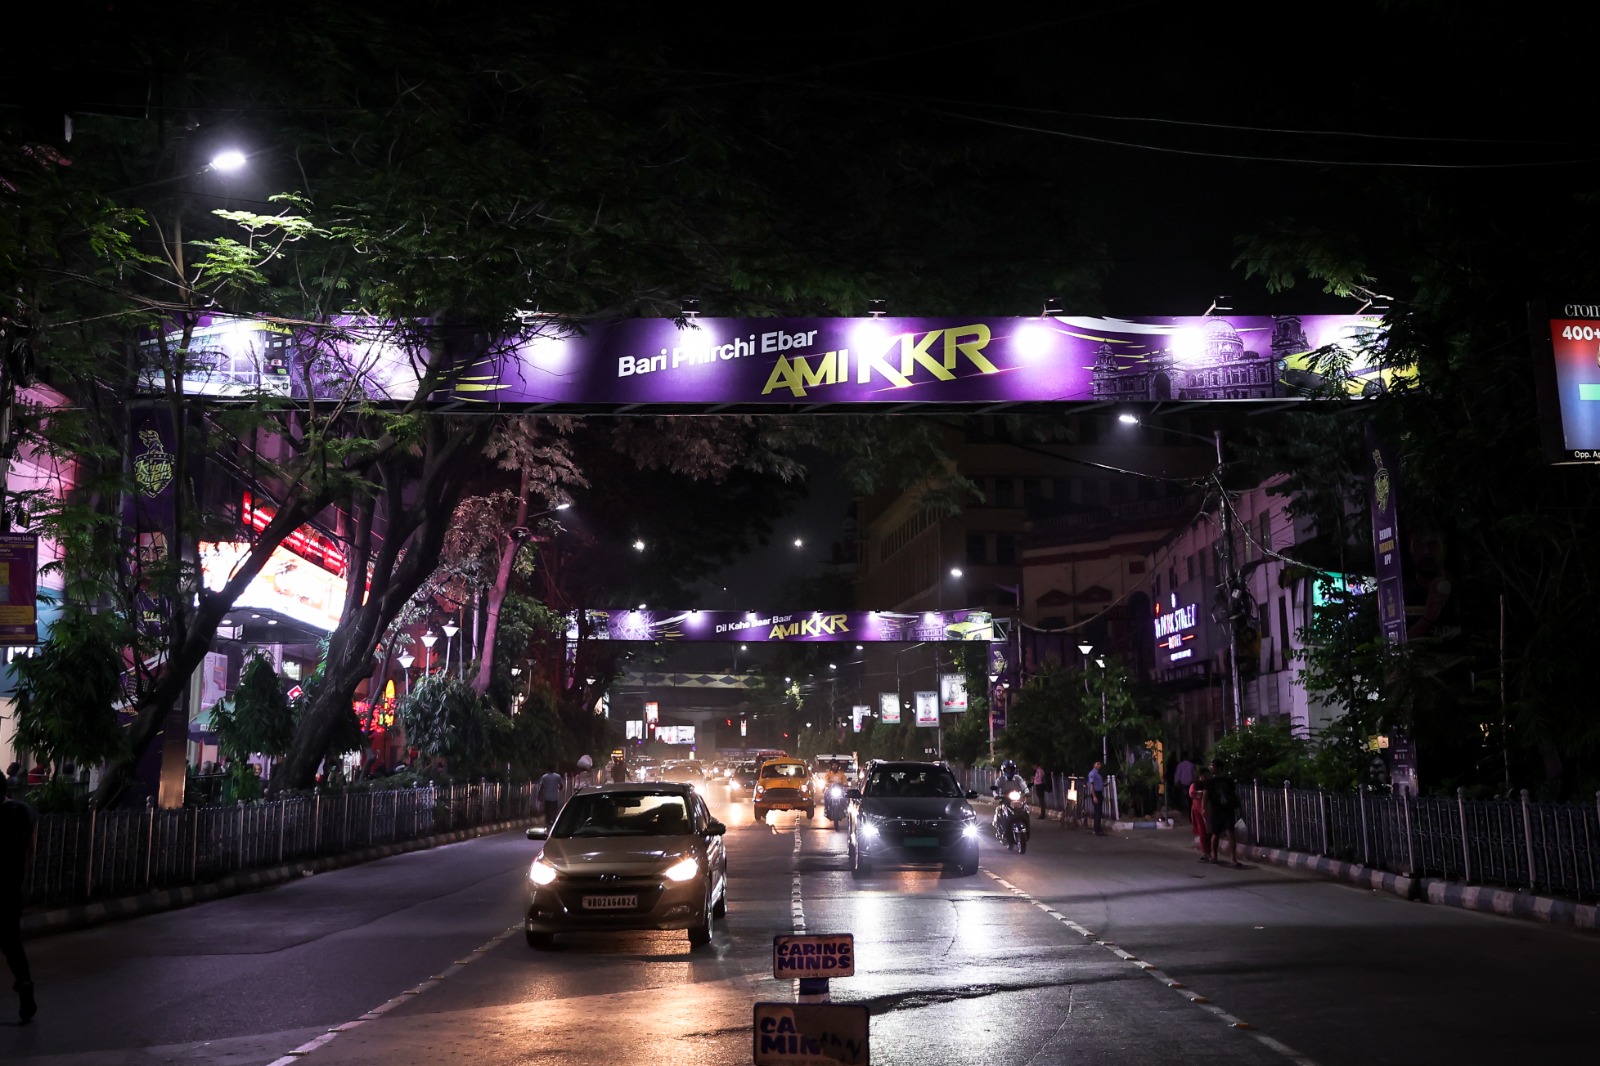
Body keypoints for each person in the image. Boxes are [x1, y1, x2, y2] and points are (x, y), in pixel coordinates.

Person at [0, 774, 37, 1023]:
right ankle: (24, 984)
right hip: (12, 887)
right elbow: (31, 849)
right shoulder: (24, 811)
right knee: (12, 943)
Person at [1204, 760, 1243, 867]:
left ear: (1219, 768)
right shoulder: (1210, 782)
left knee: (1230, 832)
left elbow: (1233, 794)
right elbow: (1206, 795)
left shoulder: (1228, 781)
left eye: (1213, 766)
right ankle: (1214, 856)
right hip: (1216, 809)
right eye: (1211, 766)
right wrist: (1204, 809)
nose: (1211, 769)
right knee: (1215, 833)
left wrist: (1237, 805)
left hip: (1228, 809)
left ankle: (1233, 858)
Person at [1189, 766, 1210, 855]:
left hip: (1207, 809)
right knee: (1202, 831)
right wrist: (1204, 793)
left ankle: (1209, 852)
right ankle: (1206, 852)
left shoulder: (1209, 784)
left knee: (1209, 831)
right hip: (1198, 809)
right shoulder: (1195, 785)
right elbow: (1192, 794)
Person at [1087, 760, 1106, 836]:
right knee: (1097, 812)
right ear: (1094, 765)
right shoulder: (1092, 773)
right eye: (1098, 764)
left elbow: (1098, 784)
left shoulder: (1098, 774)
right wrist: (1094, 796)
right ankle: (1096, 830)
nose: (1099, 765)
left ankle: (1098, 829)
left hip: (1099, 793)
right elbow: (1091, 786)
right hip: (1096, 793)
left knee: (1099, 812)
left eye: (1100, 764)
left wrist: (1104, 784)